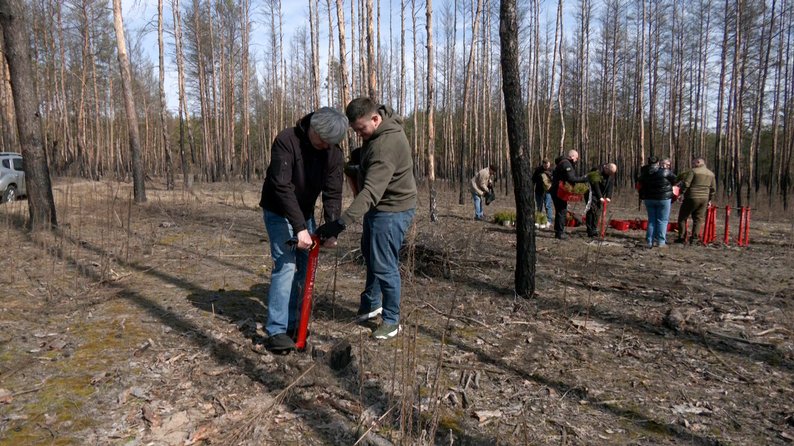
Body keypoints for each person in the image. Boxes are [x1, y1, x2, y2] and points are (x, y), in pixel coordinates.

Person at [316, 97, 417, 340]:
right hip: (379, 207)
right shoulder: (376, 134)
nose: (359, 134)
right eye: (355, 130)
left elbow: (370, 192)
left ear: (376, 118)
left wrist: (340, 223)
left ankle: (391, 320)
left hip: (392, 209)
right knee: (371, 255)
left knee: (384, 263)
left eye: (361, 129)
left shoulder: (386, 146)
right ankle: (372, 304)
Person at [258, 107, 348, 352]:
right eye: (323, 140)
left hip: (304, 213)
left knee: (305, 267)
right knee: (286, 264)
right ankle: (276, 330)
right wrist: (299, 229)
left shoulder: (333, 153)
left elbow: (333, 193)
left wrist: (331, 230)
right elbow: (281, 186)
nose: (325, 146)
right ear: (313, 128)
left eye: (331, 142)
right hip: (278, 209)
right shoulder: (287, 140)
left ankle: (294, 323)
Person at [675, 157, 716, 244]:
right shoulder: (711, 174)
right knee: (698, 219)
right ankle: (694, 239)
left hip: (691, 197)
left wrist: (681, 193)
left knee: (682, 217)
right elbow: (713, 189)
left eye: (693, 163)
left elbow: (686, 183)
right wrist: (709, 199)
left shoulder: (693, 171)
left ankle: (682, 238)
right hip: (704, 198)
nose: (692, 165)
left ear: (698, 162)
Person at [638, 157, 677, 248]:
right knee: (662, 220)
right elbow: (675, 180)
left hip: (649, 198)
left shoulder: (645, 172)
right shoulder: (665, 172)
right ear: (658, 163)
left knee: (651, 220)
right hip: (664, 199)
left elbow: (640, 183)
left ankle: (649, 241)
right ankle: (661, 242)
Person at [550, 150, 589, 239]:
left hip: (556, 190)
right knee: (562, 211)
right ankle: (560, 233)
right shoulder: (566, 164)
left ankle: (558, 231)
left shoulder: (563, 163)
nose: (577, 159)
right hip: (559, 191)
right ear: (572, 156)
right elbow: (571, 178)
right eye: (576, 157)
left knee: (560, 210)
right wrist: (584, 179)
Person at [584, 163, 617, 237]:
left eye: (612, 173)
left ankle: (594, 229)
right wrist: (600, 197)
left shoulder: (610, 174)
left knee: (598, 211)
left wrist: (608, 196)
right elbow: (596, 185)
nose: (611, 174)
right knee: (591, 210)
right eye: (610, 173)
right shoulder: (597, 171)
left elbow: (610, 185)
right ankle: (590, 231)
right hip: (591, 192)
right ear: (607, 168)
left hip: (600, 195)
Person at [531, 159, 554, 228]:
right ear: (543, 164)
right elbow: (533, 180)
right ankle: (538, 221)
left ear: (549, 164)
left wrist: (550, 176)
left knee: (548, 206)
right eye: (545, 164)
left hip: (548, 192)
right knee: (539, 206)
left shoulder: (552, 170)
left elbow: (555, 180)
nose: (546, 166)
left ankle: (549, 221)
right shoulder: (538, 170)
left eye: (547, 164)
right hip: (538, 191)